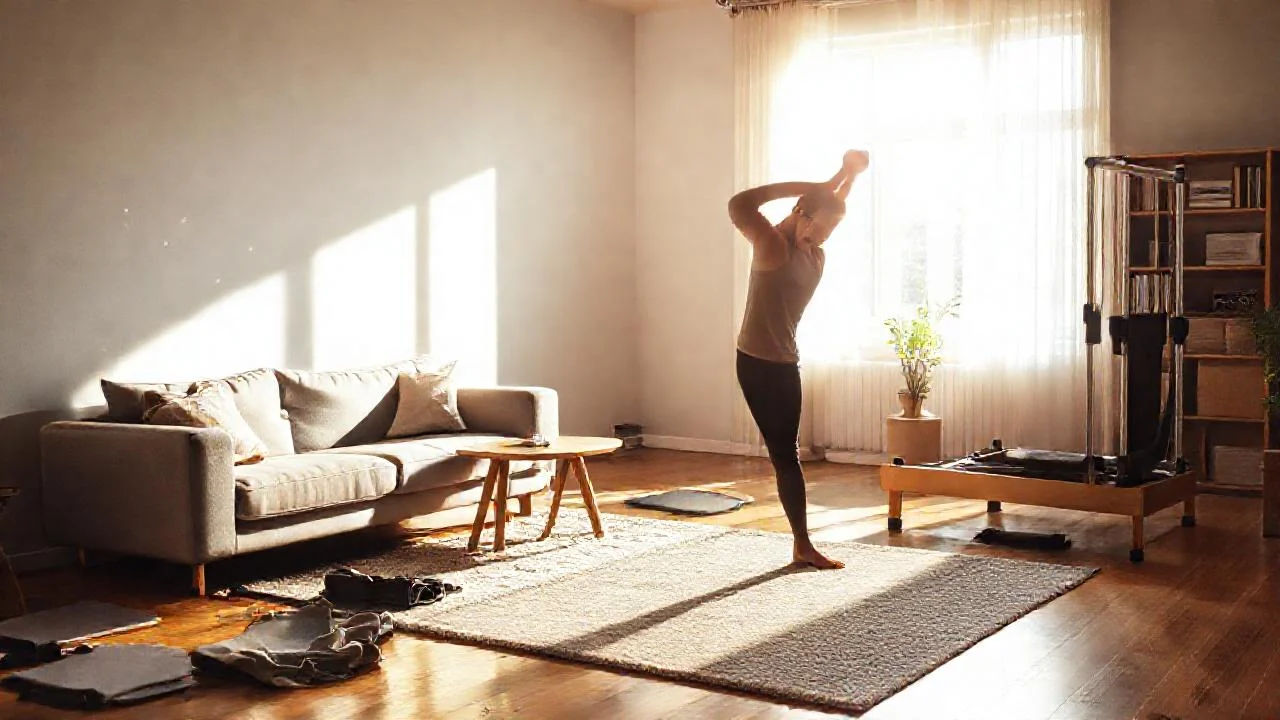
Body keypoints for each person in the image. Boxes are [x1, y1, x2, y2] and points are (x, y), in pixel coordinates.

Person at [728, 150, 869, 570]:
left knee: (787, 453)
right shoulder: (773, 246)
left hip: (785, 362)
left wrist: (844, 177)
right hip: (756, 363)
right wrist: (829, 180)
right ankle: (803, 544)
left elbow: (826, 206)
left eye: (831, 231)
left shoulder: (809, 252)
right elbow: (740, 204)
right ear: (800, 214)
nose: (825, 237)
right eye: (820, 228)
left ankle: (801, 545)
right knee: (784, 455)